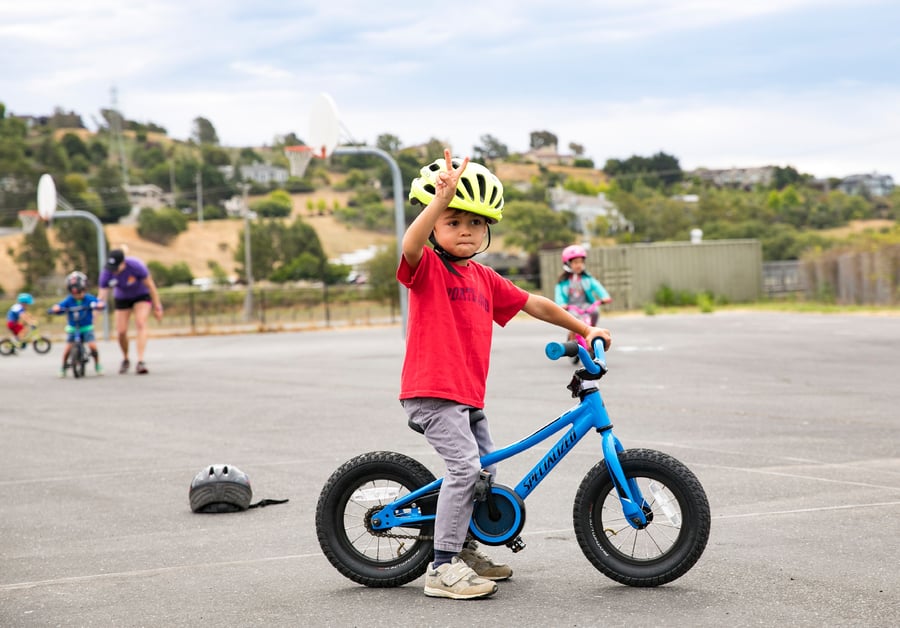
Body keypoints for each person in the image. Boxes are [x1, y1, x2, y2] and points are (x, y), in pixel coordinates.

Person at [399, 150, 612, 600]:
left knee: (484, 473)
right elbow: (410, 246)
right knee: (464, 469)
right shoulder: (428, 269)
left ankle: (462, 548)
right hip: (433, 392)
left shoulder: (483, 278)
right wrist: (439, 200)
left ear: (487, 230)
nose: (465, 231)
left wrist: (584, 326)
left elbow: (535, 303)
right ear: (436, 225)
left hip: (468, 396)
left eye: (475, 224)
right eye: (454, 221)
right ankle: (441, 569)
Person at [97, 248, 163, 375]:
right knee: (121, 331)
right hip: (122, 298)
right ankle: (126, 358)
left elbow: (151, 286)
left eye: (117, 267)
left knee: (140, 323)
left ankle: (140, 361)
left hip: (141, 295)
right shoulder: (107, 272)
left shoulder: (136, 266)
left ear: (123, 263)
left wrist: (157, 307)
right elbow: (101, 296)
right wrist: (94, 314)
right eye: (112, 268)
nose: (114, 271)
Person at [50, 271, 105, 377]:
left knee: (92, 346)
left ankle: (98, 364)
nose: (77, 296)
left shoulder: (88, 299)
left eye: (80, 293)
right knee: (67, 348)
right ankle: (63, 367)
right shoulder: (69, 300)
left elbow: (99, 303)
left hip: (86, 327)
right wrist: (56, 308)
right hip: (73, 328)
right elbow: (59, 306)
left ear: (84, 290)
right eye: (74, 293)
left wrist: (99, 305)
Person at [555, 244, 612, 343]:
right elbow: (559, 294)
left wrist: (605, 297)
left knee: (595, 311)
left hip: (585, 304)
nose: (579, 265)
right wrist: (561, 304)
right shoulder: (563, 282)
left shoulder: (587, 279)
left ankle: (592, 330)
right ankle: (572, 338)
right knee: (573, 321)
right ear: (568, 264)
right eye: (575, 262)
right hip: (571, 307)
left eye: (581, 262)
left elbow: (597, 287)